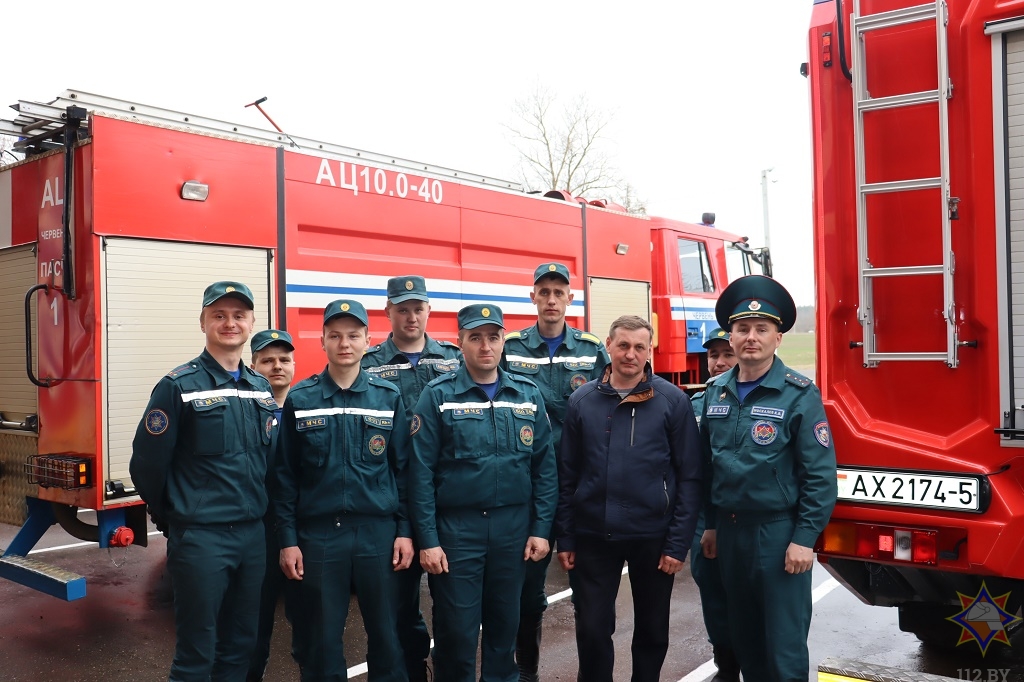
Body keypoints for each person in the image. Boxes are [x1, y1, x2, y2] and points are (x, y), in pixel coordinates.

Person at [130, 281, 277, 681]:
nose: (229, 323)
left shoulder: (261, 389)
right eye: (219, 315)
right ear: (203, 322)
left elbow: (270, 462)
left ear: (250, 324)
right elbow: (146, 464)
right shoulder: (178, 386)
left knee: (240, 647)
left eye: (238, 315)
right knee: (197, 651)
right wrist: (175, 516)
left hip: (252, 537)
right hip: (202, 539)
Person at [699, 275, 838, 682]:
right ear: (732, 334)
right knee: (746, 642)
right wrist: (710, 524)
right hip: (730, 532)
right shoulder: (715, 392)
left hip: (779, 536)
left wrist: (804, 538)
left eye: (762, 329)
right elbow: (707, 466)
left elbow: (819, 475)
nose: (751, 337)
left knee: (783, 647)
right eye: (742, 329)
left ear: (778, 338)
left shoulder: (798, 394)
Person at [410, 303, 557, 682]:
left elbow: (544, 469)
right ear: (460, 343)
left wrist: (541, 529)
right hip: (458, 532)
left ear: (503, 341)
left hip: (513, 530)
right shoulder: (437, 395)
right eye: (475, 337)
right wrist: (428, 539)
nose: (485, 346)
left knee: (503, 630)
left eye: (493, 337)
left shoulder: (527, 395)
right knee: (457, 633)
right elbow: (420, 473)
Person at [555, 315, 702, 682]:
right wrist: (567, 537)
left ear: (649, 350)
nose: (630, 355)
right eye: (623, 345)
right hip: (593, 536)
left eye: (640, 347)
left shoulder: (672, 401)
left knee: (652, 630)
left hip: (652, 537)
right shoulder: (582, 401)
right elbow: (566, 475)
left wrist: (677, 543)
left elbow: (690, 476)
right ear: (608, 345)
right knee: (591, 628)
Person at [274, 299, 413, 682]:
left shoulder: (387, 398)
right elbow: (284, 477)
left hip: (378, 536)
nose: (344, 343)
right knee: (321, 642)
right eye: (335, 336)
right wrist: (288, 540)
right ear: (321, 341)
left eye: (353, 335)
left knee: (387, 637)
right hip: (319, 538)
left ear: (369, 340)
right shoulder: (302, 400)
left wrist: (404, 531)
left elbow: (404, 473)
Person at [500, 261, 608, 682]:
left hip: (580, 484)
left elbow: (606, 412)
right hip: (528, 484)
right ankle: (527, 670)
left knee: (588, 589)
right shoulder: (510, 348)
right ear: (532, 297)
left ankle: (591, 673)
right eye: (542, 291)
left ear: (569, 298)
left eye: (558, 292)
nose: (550, 299)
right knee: (528, 590)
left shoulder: (591, 348)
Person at [362, 275, 462, 682]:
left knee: (453, 601)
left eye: (418, 308)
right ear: (387, 312)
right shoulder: (368, 364)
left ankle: (447, 668)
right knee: (399, 603)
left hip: (446, 500)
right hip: (393, 500)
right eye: (402, 308)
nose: (411, 316)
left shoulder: (453, 359)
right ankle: (413, 667)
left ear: (428, 311)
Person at [688, 328, 739, 682]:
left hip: (742, 516)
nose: (719, 362)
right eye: (712, 355)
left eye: (727, 354)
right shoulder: (694, 405)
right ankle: (725, 665)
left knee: (748, 596)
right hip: (703, 517)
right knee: (713, 594)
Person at [246, 329, 296, 682]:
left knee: (310, 628)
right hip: (258, 535)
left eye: (284, 360)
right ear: (253, 365)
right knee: (252, 628)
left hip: (300, 533)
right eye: (268, 360)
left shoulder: (308, 408)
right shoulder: (244, 410)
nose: (276, 366)